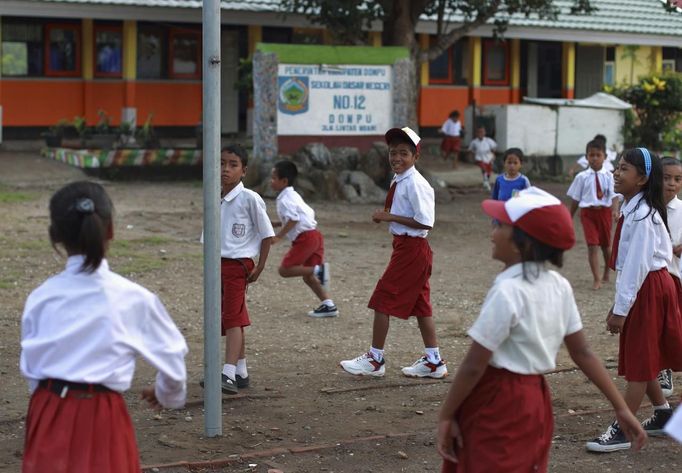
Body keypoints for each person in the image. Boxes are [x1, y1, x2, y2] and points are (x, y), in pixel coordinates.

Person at [437, 186, 646, 472]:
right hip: (535, 400)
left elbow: (474, 364)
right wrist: (620, 407)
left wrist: (446, 415)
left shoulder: (509, 291)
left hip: (497, 398)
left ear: (522, 241)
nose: (492, 230)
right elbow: (583, 352)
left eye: (501, 225)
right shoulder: (559, 286)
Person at [20, 181, 188, 473]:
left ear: (55, 235)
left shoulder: (40, 298)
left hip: (47, 411)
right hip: (102, 415)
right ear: (110, 230)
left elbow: (32, 368)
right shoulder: (134, 298)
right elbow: (173, 364)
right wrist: (166, 395)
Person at [586, 148, 682, 452]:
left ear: (641, 179)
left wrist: (621, 310)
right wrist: (621, 304)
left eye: (624, 169)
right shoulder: (633, 208)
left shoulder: (642, 215)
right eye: (617, 168)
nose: (616, 173)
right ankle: (664, 412)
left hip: (648, 287)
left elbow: (637, 266)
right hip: (647, 286)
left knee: (641, 358)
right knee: (645, 353)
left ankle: (624, 427)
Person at [340, 126, 446, 379]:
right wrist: (390, 218)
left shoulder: (416, 184)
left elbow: (425, 221)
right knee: (421, 306)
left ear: (415, 157)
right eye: (392, 152)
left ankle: (375, 359)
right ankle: (434, 361)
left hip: (412, 249)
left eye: (403, 153)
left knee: (382, 299)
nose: (396, 158)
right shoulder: (401, 180)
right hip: (406, 248)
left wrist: (388, 216)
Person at [203, 144, 274, 395]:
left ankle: (228, 373)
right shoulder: (214, 196)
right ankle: (241, 371)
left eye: (233, 165)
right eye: (222, 163)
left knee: (232, 318)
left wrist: (261, 266)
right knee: (230, 317)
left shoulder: (250, 199)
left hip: (238, 265)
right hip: (216, 264)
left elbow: (267, 235)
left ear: (244, 171)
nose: (225, 169)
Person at [270, 160, 338, 318]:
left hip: (305, 238)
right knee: (308, 276)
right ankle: (329, 305)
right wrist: (276, 223)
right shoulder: (292, 194)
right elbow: (298, 216)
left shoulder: (284, 200)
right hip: (314, 235)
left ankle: (320, 270)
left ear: (284, 181)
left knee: (284, 270)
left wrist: (279, 236)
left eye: (273, 178)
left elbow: (293, 218)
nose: (271, 181)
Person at [567, 139, 619, 290]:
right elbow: (576, 198)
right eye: (591, 155)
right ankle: (596, 278)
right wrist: (569, 216)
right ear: (586, 157)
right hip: (588, 213)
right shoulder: (581, 177)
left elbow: (614, 195)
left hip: (604, 213)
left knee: (606, 246)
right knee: (592, 245)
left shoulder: (609, 176)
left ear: (605, 157)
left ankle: (606, 273)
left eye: (598, 155)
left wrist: (615, 210)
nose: (595, 158)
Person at [658, 156, 682, 398]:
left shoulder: (681, 210)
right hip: (651, 278)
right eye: (666, 178)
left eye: (677, 179)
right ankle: (660, 368)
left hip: (674, 278)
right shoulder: (646, 206)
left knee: (671, 328)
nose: (671, 184)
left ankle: (666, 368)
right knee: (655, 327)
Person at [468, 126, 497, 192]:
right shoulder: (474, 142)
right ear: (476, 133)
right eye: (479, 132)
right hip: (479, 158)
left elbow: (494, 148)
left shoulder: (488, 140)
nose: (480, 133)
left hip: (488, 158)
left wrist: (493, 155)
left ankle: (485, 181)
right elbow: (470, 150)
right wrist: (471, 158)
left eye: (482, 132)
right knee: (483, 168)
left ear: (484, 133)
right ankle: (486, 182)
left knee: (489, 171)